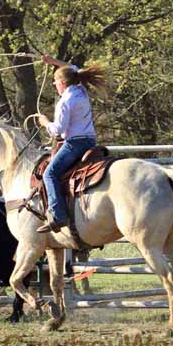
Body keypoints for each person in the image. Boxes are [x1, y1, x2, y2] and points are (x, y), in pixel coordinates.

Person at [36, 55, 106, 233]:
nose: (54, 84)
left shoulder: (65, 101)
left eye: (55, 81)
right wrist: (52, 61)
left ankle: (58, 215)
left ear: (62, 83)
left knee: (49, 174)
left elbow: (57, 130)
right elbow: (73, 68)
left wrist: (44, 122)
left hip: (74, 144)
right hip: (90, 140)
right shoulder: (80, 90)